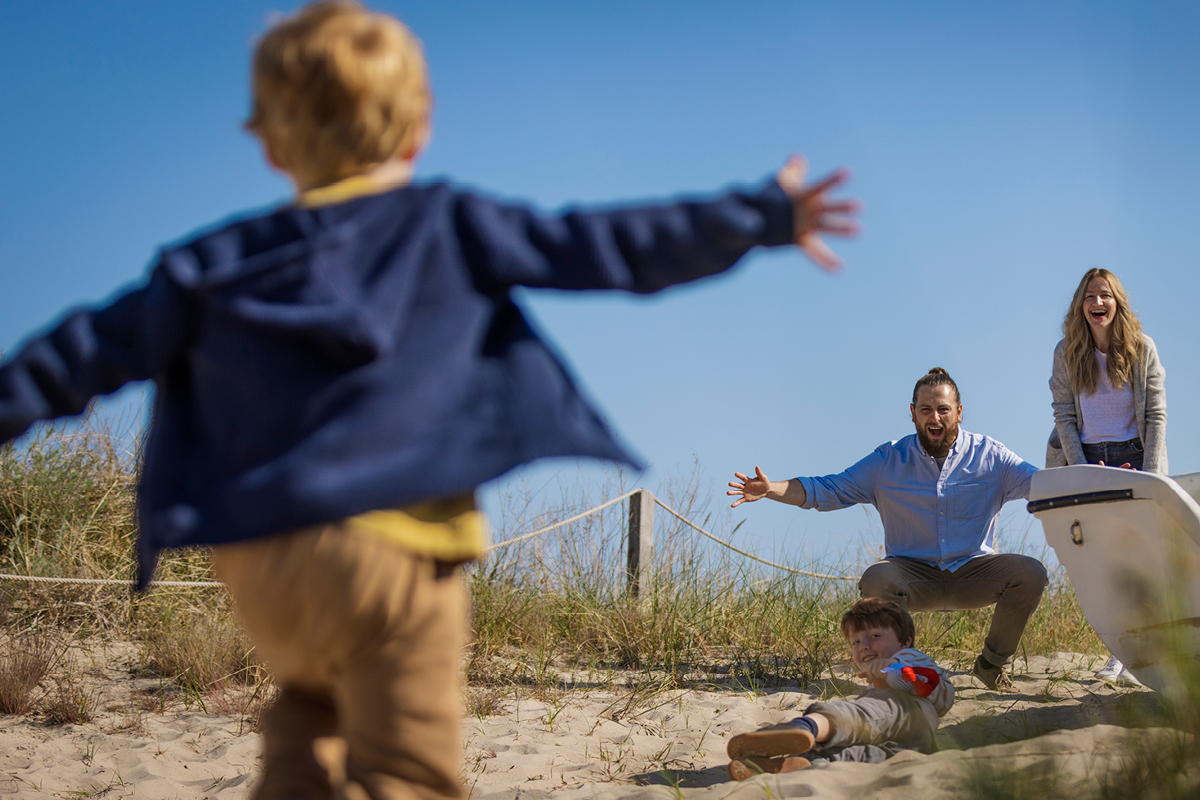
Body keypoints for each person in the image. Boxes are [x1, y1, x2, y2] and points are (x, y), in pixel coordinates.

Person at [0, 2, 860, 798]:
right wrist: (758, 216)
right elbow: (604, 247)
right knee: (406, 768)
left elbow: (78, 352)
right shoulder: (444, 223)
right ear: (420, 125)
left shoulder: (210, 262)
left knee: (309, 713)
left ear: (266, 141)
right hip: (397, 552)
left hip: (263, 565)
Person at [729, 368, 1045, 693]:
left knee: (1030, 572)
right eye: (925, 410)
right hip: (912, 578)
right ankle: (901, 673)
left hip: (974, 574)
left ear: (959, 412)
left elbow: (1043, 484)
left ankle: (992, 666)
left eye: (943, 410)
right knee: (877, 577)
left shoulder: (991, 456)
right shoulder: (888, 460)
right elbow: (830, 489)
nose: (934, 418)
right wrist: (771, 489)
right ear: (912, 414)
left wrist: (1092, 480)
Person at [1047, 267, 1167, 684]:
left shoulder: (1141, 348)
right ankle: (1119, 653)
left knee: (1139, 559)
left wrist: (1150, 479)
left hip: (1135, 458)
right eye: (1090, 296)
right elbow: (1064, 414)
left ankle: (1141, 654)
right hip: (1090, 460)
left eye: (1105, 295)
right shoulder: (1067, 352)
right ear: (1080, 306)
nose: (1097, 303)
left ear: (1118, 302)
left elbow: (1155, 415)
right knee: (1101, 563)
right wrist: (1080, 469)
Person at [725, 597, 954, 779]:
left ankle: (805, 726)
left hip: (907, 715)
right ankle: (797, 766)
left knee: (853, 717)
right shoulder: (878, 681)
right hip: (908, 751)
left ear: (904, 641)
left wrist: (894, 668)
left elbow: (938, 690)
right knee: (850, 755)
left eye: (875, 635)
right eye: (855, 641)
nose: (864, 645)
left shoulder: (909, 656)